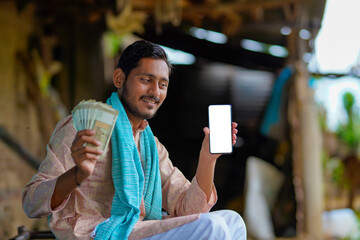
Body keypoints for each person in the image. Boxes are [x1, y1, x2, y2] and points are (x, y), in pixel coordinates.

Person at [22, 40, 247, 240]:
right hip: (95, 233)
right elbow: (31, 202)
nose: (155, 92)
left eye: (162, 84)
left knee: (232, 220)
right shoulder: (82, 127)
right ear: (119, 78)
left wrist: (207, 158)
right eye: (146, 80)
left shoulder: (151, 146)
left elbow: (189, 209)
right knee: (214, 227)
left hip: (136, 230)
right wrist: (77, 175)